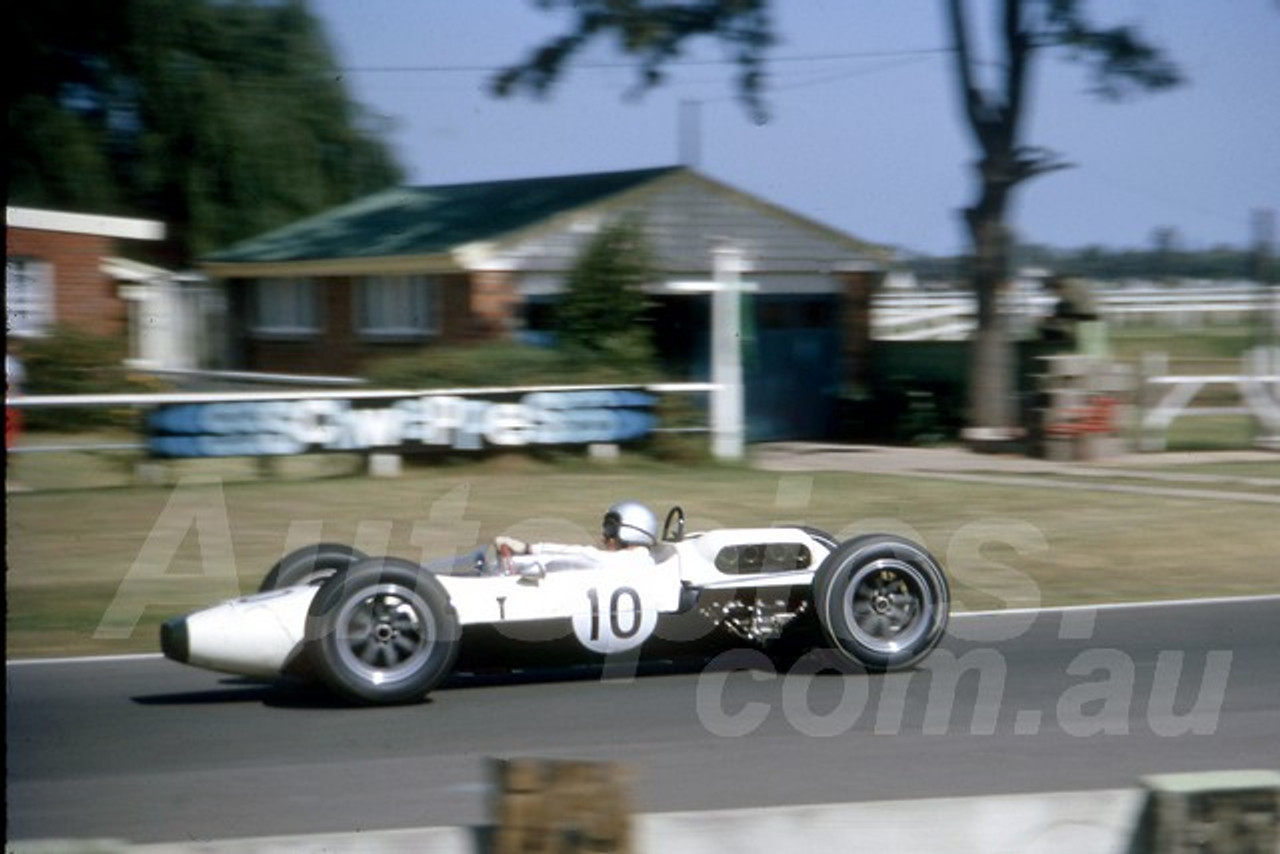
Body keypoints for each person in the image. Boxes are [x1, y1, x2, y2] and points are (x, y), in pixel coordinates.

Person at [494, 500, 659, 573]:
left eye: (610, 530)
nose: (604, 538)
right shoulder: (644, 560)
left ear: (631, 532)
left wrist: (524, 554)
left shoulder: (617, 562)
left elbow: (581, 555)